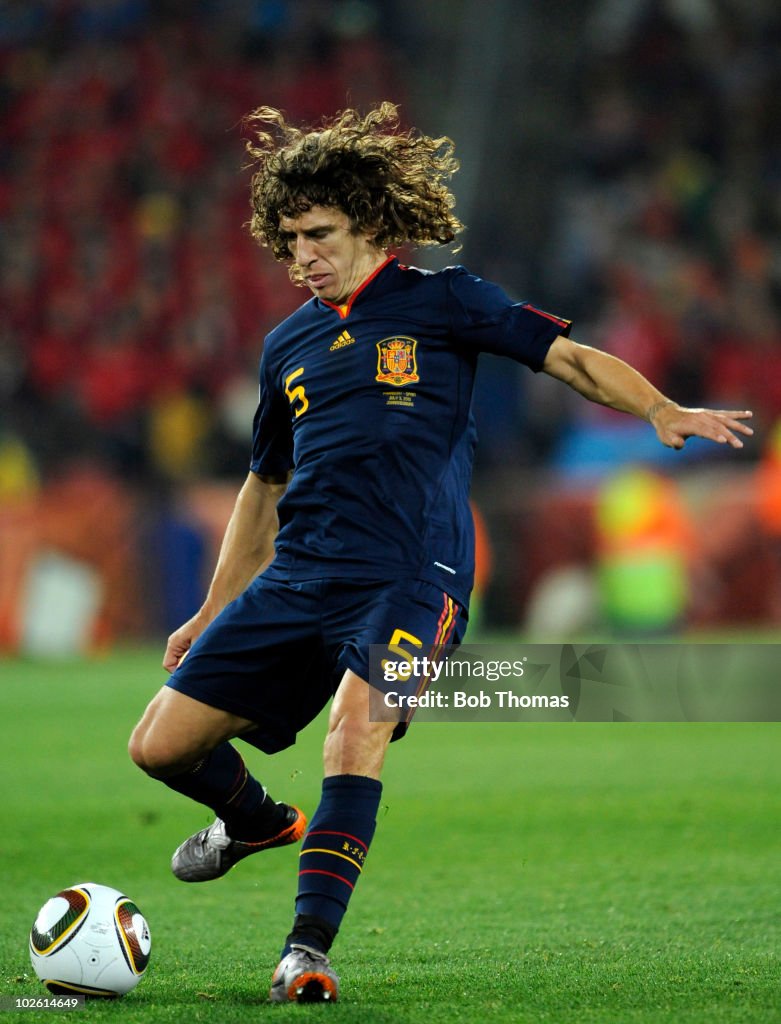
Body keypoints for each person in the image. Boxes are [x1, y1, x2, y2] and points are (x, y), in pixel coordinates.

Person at [128, 102, 753, 1003]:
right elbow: (261, 489)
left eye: (320, 234)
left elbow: (568, 359)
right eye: (290, 239)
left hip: (413, 574)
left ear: (371, 227)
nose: (301, 255)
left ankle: (305, 951)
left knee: (356, 728)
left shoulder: (445, 299)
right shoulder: (287, 345)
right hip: (302, 571)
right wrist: (211, 608)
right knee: (159, 747)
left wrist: (658, 407)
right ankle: (259, 823)